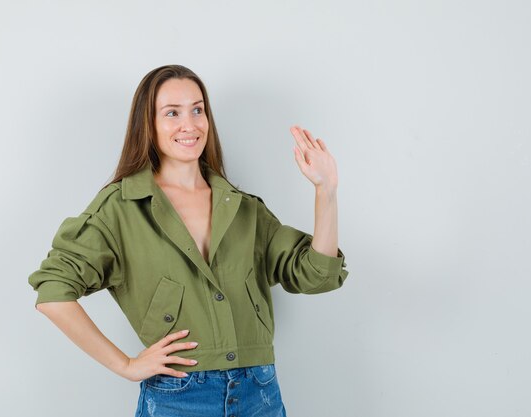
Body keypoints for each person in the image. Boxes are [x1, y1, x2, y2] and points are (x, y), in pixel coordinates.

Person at [28, 64, 349, 417]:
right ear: (147, 125)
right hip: (178, 397)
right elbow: (54, 293)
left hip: (260, 393)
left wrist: (326, 191)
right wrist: (126, 365)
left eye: (198, 109)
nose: (190, 124)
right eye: (172, 113)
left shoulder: (243, 208)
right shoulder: (121, 208)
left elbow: (317, 276)